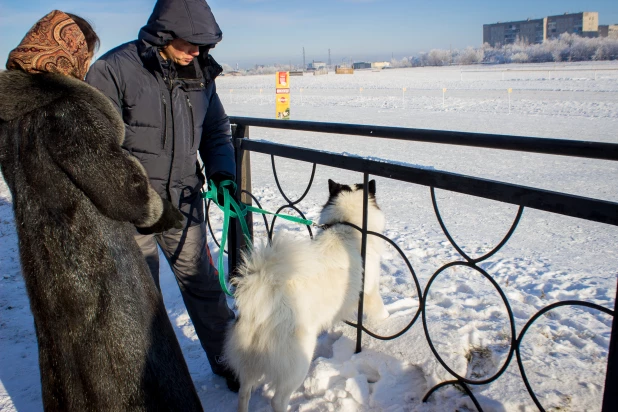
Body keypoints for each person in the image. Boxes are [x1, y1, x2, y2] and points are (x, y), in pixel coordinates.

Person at [0, 10, 204, 410]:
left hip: (46, 262)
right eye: (85, 54)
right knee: (126, 369)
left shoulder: (10, 112)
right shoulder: (67, 107)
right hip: (95, 263)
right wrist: (157, 212)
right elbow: (118, 185)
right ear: (70, 51)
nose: (87, 64)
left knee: (70, 365)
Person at [86, 0, 239, 391]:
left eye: (205, 47)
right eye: (191, 44)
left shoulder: (202, 73)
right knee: (139, 294)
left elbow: (216, 129)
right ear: (165, 34)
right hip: (131, 207)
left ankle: (231, 358)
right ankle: (148, 378)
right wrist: (130, 196)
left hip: (185, 200)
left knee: (201, 282)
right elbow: (97, 146)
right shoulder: (113, 69)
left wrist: (222, 173)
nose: (197, 53)